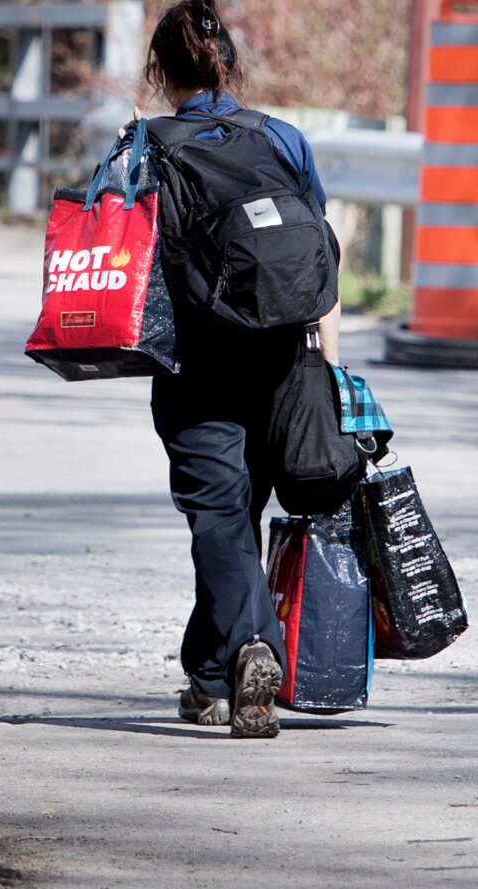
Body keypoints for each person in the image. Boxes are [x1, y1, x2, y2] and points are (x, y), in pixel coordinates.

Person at [142, 0, 342, 739]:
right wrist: (330, 372)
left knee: (218, 519)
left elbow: (118, 260)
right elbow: (318, 257)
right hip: (285, 358)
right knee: (234, 519)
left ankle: (255, 645)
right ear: (230, 62)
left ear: (161, 71)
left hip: (196, 362)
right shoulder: (282, 138)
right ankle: (208, 678)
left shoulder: (144, 147)